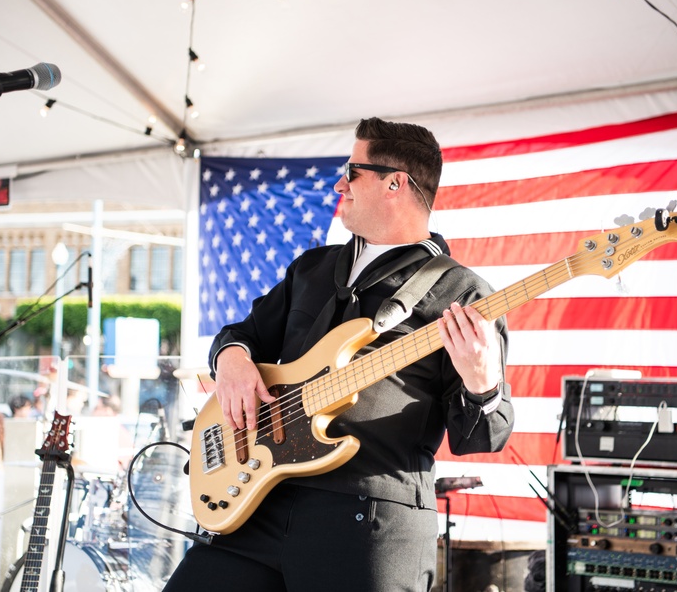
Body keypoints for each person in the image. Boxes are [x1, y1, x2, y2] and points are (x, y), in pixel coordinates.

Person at [163, 117, 514, 591]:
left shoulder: (464, 294)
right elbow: (240, 335)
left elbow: (481, 438)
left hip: (367, 523)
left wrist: (482, 382)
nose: (339, 183)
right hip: (258, 500)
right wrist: (231, 363)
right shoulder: (312, 267)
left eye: (352, 171)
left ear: (395, 184)